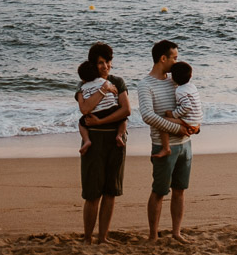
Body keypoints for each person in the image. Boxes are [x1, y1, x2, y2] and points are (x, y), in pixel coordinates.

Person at [137, 39, 200, 242]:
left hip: (185, 144)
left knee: (180, 190)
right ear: (163, 59)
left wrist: (193, 127)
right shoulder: (145, 84)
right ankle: (153, 236)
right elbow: (147, 115)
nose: (176, 62)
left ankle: (176, 233)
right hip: (163, 145)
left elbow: (190, 105)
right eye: (174, 58)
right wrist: (178, 128)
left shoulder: (177, 81)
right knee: (159, 191)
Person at [75, 41, 130, 243]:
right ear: (93, 64)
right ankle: (88, 237)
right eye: (100, 62)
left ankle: (103, 237)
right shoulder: (84, 85)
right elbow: (85, 109)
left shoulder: (119, 81)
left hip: (116, 140)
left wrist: (102, 120)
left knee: (110, 191)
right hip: (94, 141)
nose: (105, 66)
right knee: (92, 193)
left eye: (107, 61)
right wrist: (103, 89)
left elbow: (126, 110)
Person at [152, 60, 203, 158]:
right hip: (197, 120)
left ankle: (166, 148)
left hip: (188, 121)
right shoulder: (192, 86)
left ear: (172, 78)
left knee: (161, 121)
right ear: (190, 76)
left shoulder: (180, 90)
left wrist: (173, 114)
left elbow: (187, 106)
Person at [75, 60, 124, 154]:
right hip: (112, 109)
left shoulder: (83, 87)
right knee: (123, 119)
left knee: (81, 123)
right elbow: (115, 94)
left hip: (96, 113)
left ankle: (86, 140)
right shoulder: (106, 82)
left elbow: (85, 103)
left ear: (83, 79)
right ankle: (119, 135)